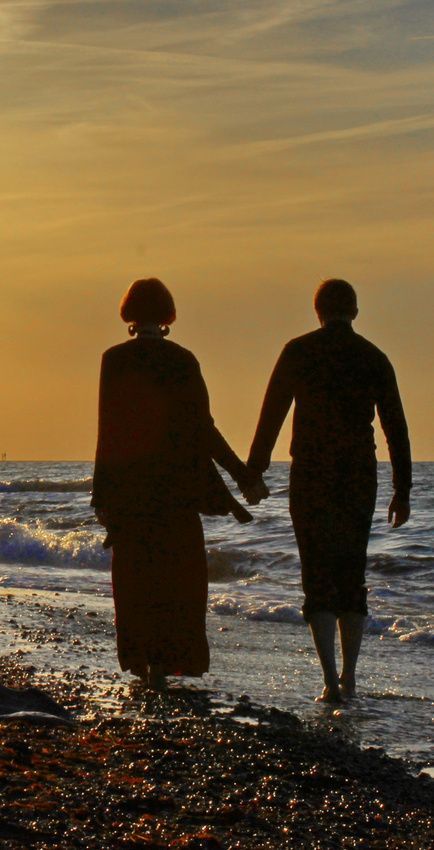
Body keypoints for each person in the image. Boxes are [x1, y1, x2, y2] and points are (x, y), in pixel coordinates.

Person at [91, 278, 264, 692]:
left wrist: (101, 493)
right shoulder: (184, 360)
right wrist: (243, 476)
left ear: (129, 313)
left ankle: (143, 660)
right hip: (175, 486)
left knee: (135, 577)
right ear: (168, 315)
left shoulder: (113, 359)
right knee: (179, 577)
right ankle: (166, 664)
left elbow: (108, 429)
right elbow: (204, 429)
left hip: (130, 486)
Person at [246, 279, 411, 704]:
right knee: (352, 573)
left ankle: (330, 681)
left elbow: (273, 412)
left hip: (311, 474)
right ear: (354, 311)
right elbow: (396, 428)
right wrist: (402, 489)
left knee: (316, 574)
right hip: (358, 476)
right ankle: (352, 678)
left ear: (317, 311)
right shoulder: (374, 357)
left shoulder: (299, 350)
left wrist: (255, 469)